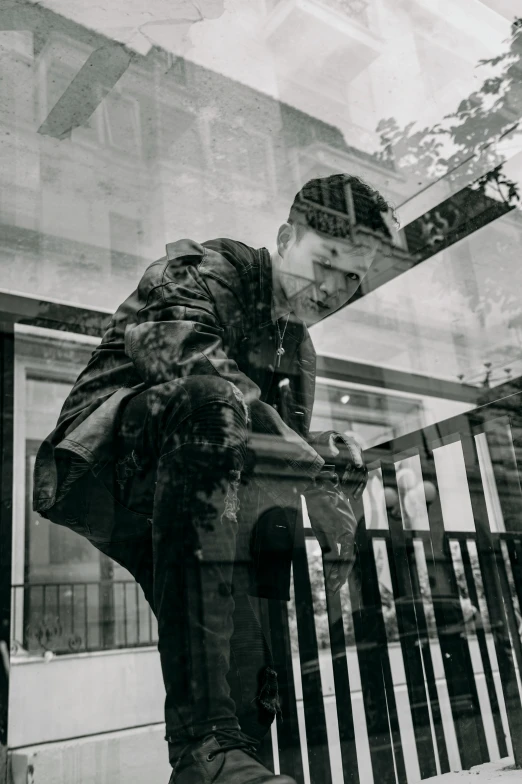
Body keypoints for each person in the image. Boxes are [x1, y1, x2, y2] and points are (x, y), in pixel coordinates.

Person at [33, 173, 396, 783]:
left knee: (249, 676)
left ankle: (228, 757)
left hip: (203, 500)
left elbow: (271, 456)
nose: (336, 288)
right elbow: (173, 359)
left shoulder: (298, 349)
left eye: (353, 278)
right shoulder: (202, 270)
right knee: (213, 401)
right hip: (110, 466)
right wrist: (313, 471)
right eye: (327, 262)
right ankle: (203, 745)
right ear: (285, 238)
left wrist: (331, 476)